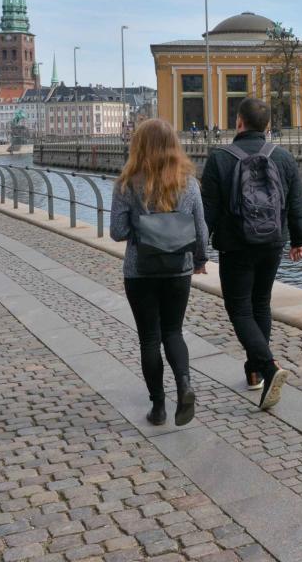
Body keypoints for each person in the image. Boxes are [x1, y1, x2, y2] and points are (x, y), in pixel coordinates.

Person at [202, 98, 302, 410]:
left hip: (235, 246)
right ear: (268, 126)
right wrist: (298, 240)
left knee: (239, 310)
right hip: (272, 243)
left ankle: (269, 367)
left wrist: (197, 252)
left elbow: (208, 212)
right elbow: (296, 203)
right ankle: (254, 372)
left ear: (238, 122)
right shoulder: (283, 157)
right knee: (261, 303)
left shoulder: (219, 158)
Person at [110, 119, 209, 427]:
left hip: (140, 271)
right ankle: (184, 384)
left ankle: (158, 407)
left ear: (138, 146)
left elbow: (117, 231)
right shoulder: (188, 183)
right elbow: (201, 229)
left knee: (149, 338)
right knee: (173, 332)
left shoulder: (127, 183)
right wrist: (200, 260)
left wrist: (143, 228)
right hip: (178, 269)